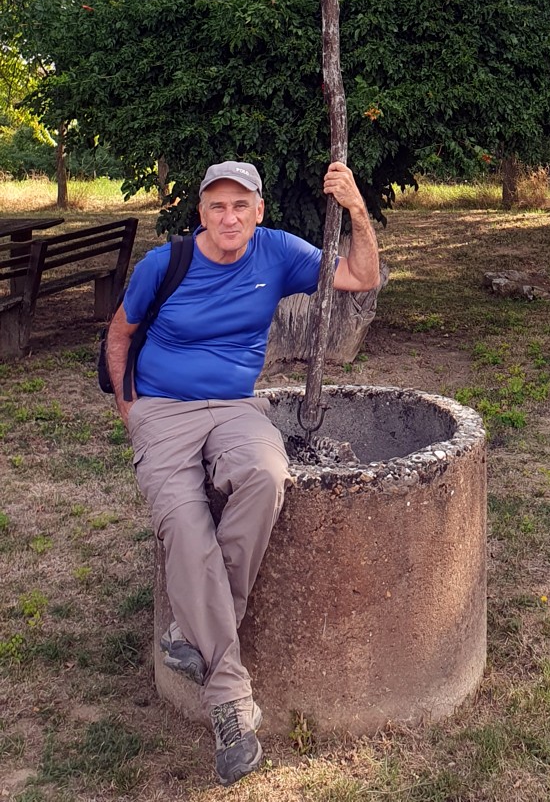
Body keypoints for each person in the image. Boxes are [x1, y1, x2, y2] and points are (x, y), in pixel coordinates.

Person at [105, 158, 379, 787]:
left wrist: (356, 208)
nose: (229, 218)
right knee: (185, 526)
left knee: (265, 471)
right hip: (162, 411)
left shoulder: (278, 252)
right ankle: (230, 704)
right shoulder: (164, 265)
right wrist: (131, 410)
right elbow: (119, 334)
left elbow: (361, 276)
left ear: (259, 211)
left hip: (234, 407)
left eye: (240, 206)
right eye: (216, 206)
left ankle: (193, 629)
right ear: (200, 213)